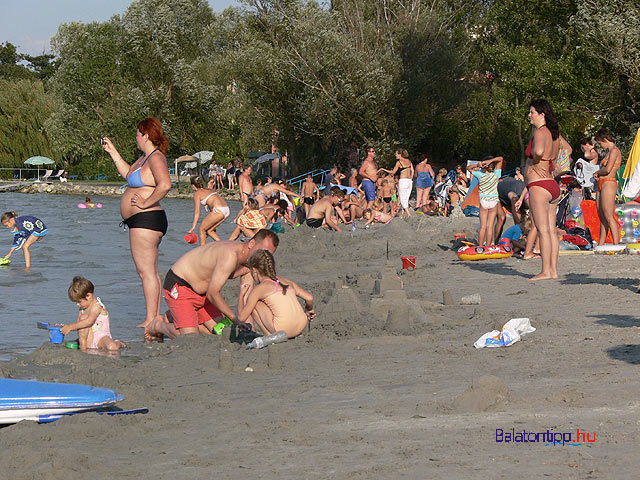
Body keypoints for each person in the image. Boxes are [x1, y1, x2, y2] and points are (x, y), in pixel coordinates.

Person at [145, 229, 280, 340]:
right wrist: (235, 319)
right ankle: (158, 325)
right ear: (251, 243)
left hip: (204, 296)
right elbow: (213, 293)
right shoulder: (230, 255)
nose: (264, 256)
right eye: (262, 251)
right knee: (190, 338)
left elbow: (247, 299)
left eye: (269, 254)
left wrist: (249, 333)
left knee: (218, 332)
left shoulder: (250, 263)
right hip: (180, 285)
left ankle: (178, 316)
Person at [102, 117, 171, 327]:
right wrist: (112, 151)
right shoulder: (144, 158)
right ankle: (154, 316)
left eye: (138, 134)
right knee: (149, 270)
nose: (136, 138)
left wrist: (145, 203)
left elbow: (165, 184)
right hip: (143, 220)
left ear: (146, 135)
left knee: (146, 271)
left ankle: (151, 318)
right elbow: (128, 175)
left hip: (147, 218)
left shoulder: (156, 158)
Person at [518, 99, 561, 281]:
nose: (529, 115)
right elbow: (561, 151)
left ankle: (545, 271)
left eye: (532, 112)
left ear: (542, 114)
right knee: (551, 231)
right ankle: (553, 270)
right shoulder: (553, 134)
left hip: (539, 185)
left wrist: (535, 160)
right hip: (551, 185)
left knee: (543, 230)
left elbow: (539, 151)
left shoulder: (540, 132)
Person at [238, 249, 314, 338]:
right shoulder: (286, 281)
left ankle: (270, 336)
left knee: (254, 303)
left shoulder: (260, 289)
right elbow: (309, 298)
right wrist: (308, 309)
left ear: (254, 270)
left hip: (283, 329)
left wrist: (242, 294)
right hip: (301, 326)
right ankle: (296, 333)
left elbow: (241, 317)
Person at [62, 276, 126, 352]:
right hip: (87, 340)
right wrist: (64, 328)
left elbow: (89, 321)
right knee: (82, 319)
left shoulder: (97, 306)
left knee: (112, 347)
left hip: (101, 338)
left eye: (79, 301)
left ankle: (119, 343)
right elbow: (78, 325)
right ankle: (83, 350)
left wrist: (70, 327)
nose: (77, 304)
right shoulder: (82, 309)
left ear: (88, 296)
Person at [594, 128, 622, 246]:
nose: (600, 146)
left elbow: (608, 169)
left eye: (600, 143)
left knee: (609, 215)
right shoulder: (608, 152)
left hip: (609, 182)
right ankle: (601, 243)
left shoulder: (615, 151)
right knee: (601, 215)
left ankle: (616, 244)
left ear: (605, 140)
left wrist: (598, 173)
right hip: (602, 182)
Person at [468, 156, 503, 245]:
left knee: (483, 227)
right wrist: (490, 161)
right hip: (494, 201)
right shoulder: (496, 174)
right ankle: (488, 246)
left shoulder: (479, 174)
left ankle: (480, 246)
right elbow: (501, 159)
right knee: (490, 226)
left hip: (484, 201)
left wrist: (478, 164)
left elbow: (468, 168)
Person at [188, 176, 230, 244]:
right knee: (210, 230)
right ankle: (223, 247)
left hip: (218, 210)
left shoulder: (197, 193)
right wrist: (208, 204)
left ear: (193, 185)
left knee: (201, 229)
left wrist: (193, 227)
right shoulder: (208, 189)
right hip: (226, 210)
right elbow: (212, 197)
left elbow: (197, 212)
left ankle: (202, 252)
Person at [380, 149, 414, 218]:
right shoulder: (409, 161)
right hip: (409, 181)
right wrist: (411, 177)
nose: (395, 155)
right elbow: (412, 170)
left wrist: (383, 169)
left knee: (402, 198)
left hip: (403, 181)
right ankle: (402, 215)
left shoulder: (399, 162)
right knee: (406, 199)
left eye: (396, 154)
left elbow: (392, 172)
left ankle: (408, 214)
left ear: (400, 154)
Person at [495, 176, 527, 240]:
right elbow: (513, 198)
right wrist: (520, 229)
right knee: (502, 218)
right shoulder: (517, 195)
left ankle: (521, 238)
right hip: (498, 192)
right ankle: (495, 243)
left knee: (523, 217)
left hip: (510, 193)